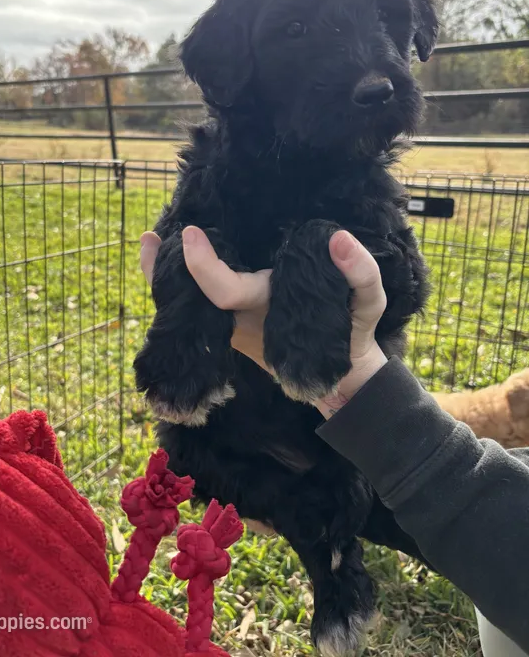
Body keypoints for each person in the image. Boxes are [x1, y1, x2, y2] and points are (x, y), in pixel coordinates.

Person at [139, 226, 529, 657]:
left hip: (329, 445)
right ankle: (336, 562)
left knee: (371, 504)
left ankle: (338, 571)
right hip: (236, 447)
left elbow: (404, 283)